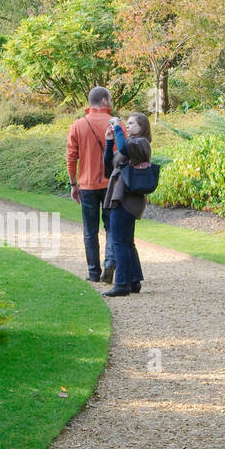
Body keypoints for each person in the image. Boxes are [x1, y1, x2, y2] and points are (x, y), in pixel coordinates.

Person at [66, 87, 117, 283]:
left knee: (90, 230)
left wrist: (73, 184)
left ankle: (93, 272)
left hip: (87, 184)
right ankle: (110, 262)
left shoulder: (78, 125)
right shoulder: (115, 124)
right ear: (104, 101)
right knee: (111, 226)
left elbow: (71, 157)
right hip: (111, 184)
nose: (111, 102)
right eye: (110, 99)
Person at [101, 111, 152, 297]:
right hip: (121, 195)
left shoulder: (141, 143)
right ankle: (133, 281)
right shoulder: (131, 144)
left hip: (127, 198)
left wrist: (117, 127)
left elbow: (123, 148)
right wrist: (108, 142)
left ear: (142, 127)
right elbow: (109, 166)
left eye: (132, 123)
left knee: (119, 242)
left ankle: (122, 284)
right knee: (126, 242)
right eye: (127, 123)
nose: (128, 126)